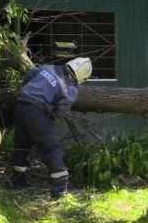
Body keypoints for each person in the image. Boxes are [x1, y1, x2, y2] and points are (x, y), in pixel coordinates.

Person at [11, 57, 93, 200]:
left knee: (21, 145)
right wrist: (53, 117)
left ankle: (18, 183)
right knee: (51, 148)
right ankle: (59, 191)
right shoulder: (71, 88)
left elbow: (28, 76)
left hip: (20, 105)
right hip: (37, 113)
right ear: (82, 78)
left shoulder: (48, 68)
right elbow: (62, 112)